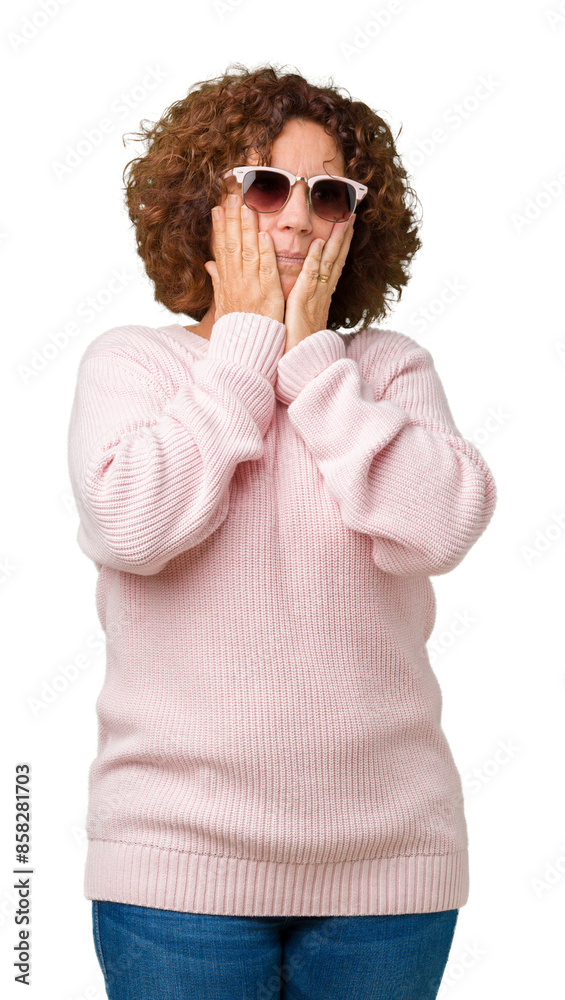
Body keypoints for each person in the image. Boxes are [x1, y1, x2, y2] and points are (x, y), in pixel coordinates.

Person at [67, 62, 497, 999]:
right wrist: (246, 349)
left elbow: (440, 528)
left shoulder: (386, 368)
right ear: (202, 208)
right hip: (175, 866)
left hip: (388, 871)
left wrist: (311, 363)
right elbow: (133, 525)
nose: (296, 219)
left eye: (327, 195)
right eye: (265, 187)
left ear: (355, 222)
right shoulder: (132, 363)